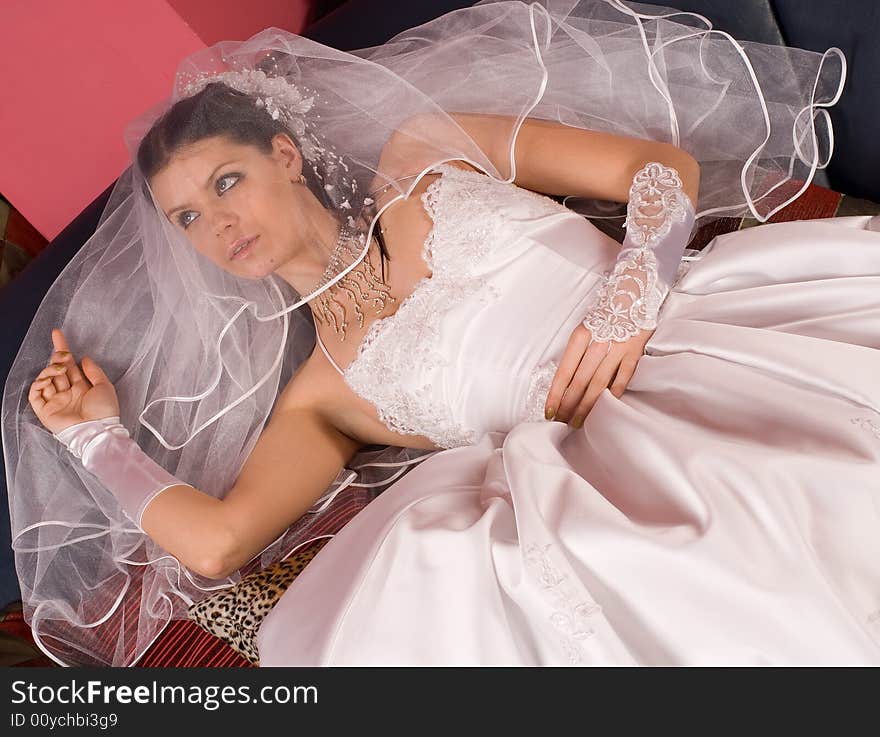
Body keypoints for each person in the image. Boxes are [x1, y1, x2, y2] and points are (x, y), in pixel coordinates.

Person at [6, 0, 877, 666]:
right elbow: (221, 541)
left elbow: (658, 169)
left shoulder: (423, 153)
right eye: (188, 217)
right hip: (606, 478)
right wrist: (92, 435)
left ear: (284, 152)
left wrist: (631, 294)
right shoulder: (324, 397)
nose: (216, 224)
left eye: (227, 181)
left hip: (702, 338)